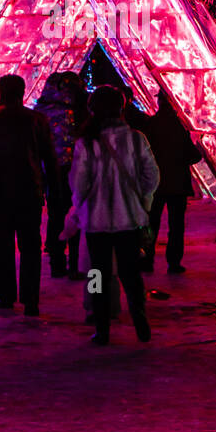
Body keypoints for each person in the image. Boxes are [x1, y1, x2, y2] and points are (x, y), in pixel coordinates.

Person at [70, 85, 160, 345]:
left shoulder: (86, 142)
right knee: (131, 274)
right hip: (129, 220)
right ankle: (140, 320)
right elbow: (151, 175)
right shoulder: (136, 138)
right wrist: (138, 200)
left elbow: (78, 183)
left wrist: (85, 206)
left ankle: (102, 326)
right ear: (122, 108)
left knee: (97, 273)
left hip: (96, 224)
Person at [0, 74, 57, 316]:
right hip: (30, 192)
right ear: (23, 91)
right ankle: (31, 300)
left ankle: (6, 297)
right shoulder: (37, 120)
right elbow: (49, 158)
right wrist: (54, 190)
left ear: (0, 92)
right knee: (31, 247)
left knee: (3, 247)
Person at [140, 89, 202, 274]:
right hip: (177, 185)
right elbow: (193, 156)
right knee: (176, 226)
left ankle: (147, 259)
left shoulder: (150, 125)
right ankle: (174, 262)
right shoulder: (180, 127)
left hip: (155, 185)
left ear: (159, 102)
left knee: (151, 223)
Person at [35, 70, 87, 278]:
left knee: (56, 216)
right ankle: (75, 264)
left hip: (50, 172)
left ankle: (57, 262)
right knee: (76, 215)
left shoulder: (39, 113)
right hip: (75, 172)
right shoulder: (80, 112)